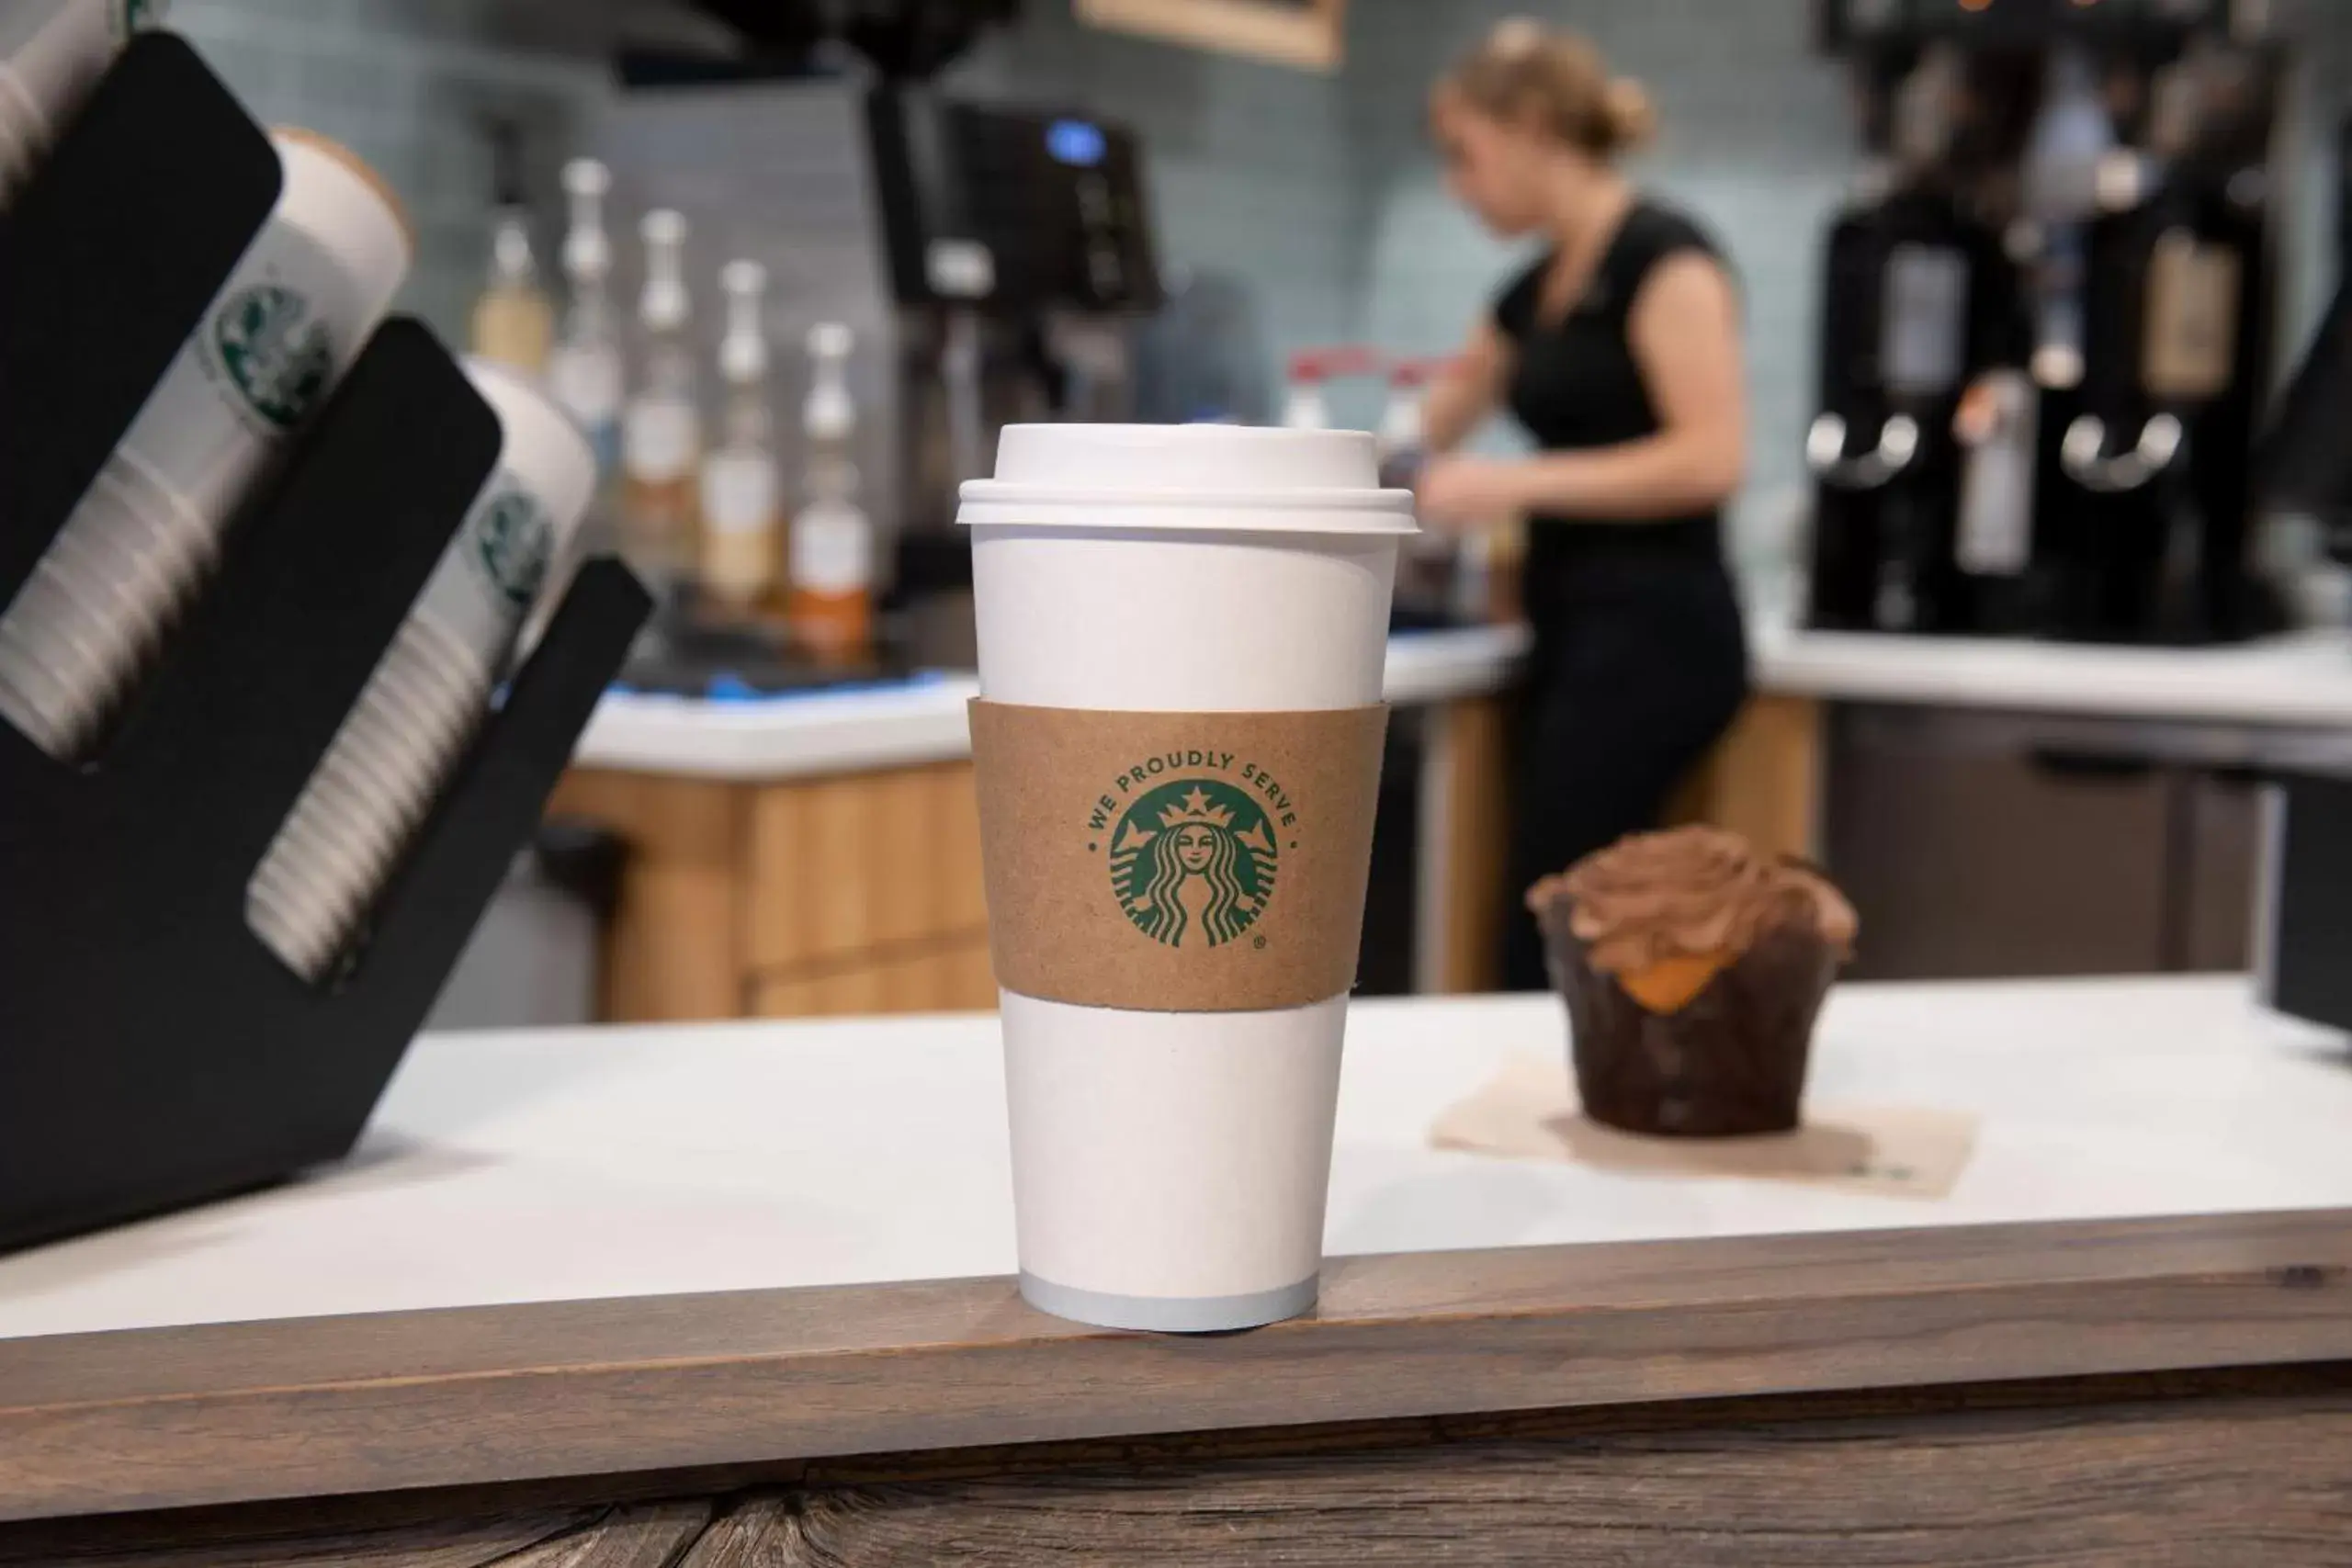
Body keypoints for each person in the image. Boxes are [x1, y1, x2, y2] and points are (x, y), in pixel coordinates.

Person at [1416, 19, 1751, 991]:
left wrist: (1511, 484)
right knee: (1553, 906)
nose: (1456, 185)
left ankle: (1563, 1118)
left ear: (1528, 128)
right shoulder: (1531, 293)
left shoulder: (1664, 259)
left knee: (1557, 915)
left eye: (1462, 155)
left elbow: (1712, 456)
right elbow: (1429, 428)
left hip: (1660, 638)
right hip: (1570, 636)